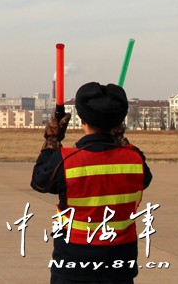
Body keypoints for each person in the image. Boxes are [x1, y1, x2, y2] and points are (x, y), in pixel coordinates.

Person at [31, 82, 152, 283]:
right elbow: (145, 179)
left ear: (81, 121)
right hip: (120, 264)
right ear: (119, 123)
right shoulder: (135, 160)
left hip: (74, 263)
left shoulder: (67, 160)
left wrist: (52, 139)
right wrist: (120, 139)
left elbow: (39, 181)